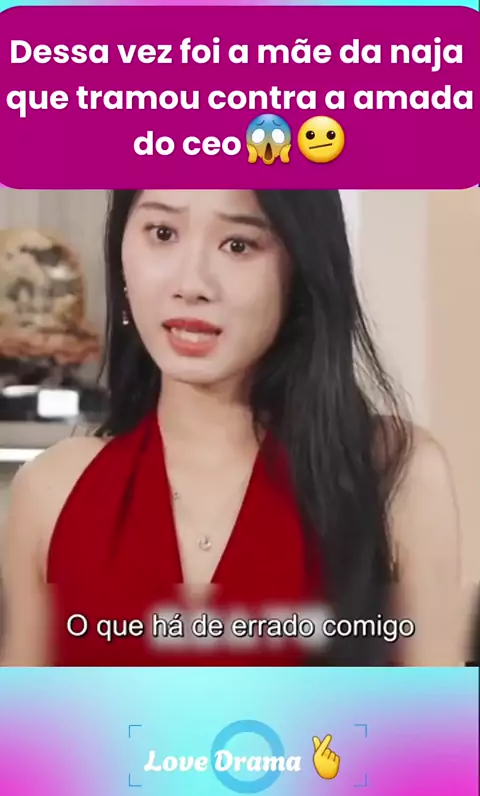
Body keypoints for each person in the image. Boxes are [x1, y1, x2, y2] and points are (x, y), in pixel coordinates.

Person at [0, 190, 461, 667]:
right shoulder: (51, 492)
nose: (191, 283)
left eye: (238, 245)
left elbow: (431, 715)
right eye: (163, 233)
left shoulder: (397, 476)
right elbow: (26, 716)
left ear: (300, 266)